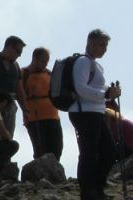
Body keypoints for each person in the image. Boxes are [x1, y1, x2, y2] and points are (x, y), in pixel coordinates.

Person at [68, 29, 120, 200]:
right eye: (101, 45)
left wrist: (109, 91)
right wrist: (106, 95)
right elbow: (80, 88)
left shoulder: (95, 64)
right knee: (89, 152)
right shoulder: (83, 62)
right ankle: (88, 191)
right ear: (91, 44)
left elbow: (95, 87)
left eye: (106, 45)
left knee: (109, 150)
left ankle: (97, 188)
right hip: (84, 112)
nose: (104, 49)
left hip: (95, 112)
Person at [21, 47, 64, 160]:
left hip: (53, 116)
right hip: (34, 118)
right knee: (40, 149)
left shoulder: (49, 74)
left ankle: (54, 174)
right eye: (43, 61)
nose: (45, 64)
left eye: (47, 61)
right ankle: (40, 175)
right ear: (34, 59)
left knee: (57, 148)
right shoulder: (23, 73)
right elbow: (18, 95)